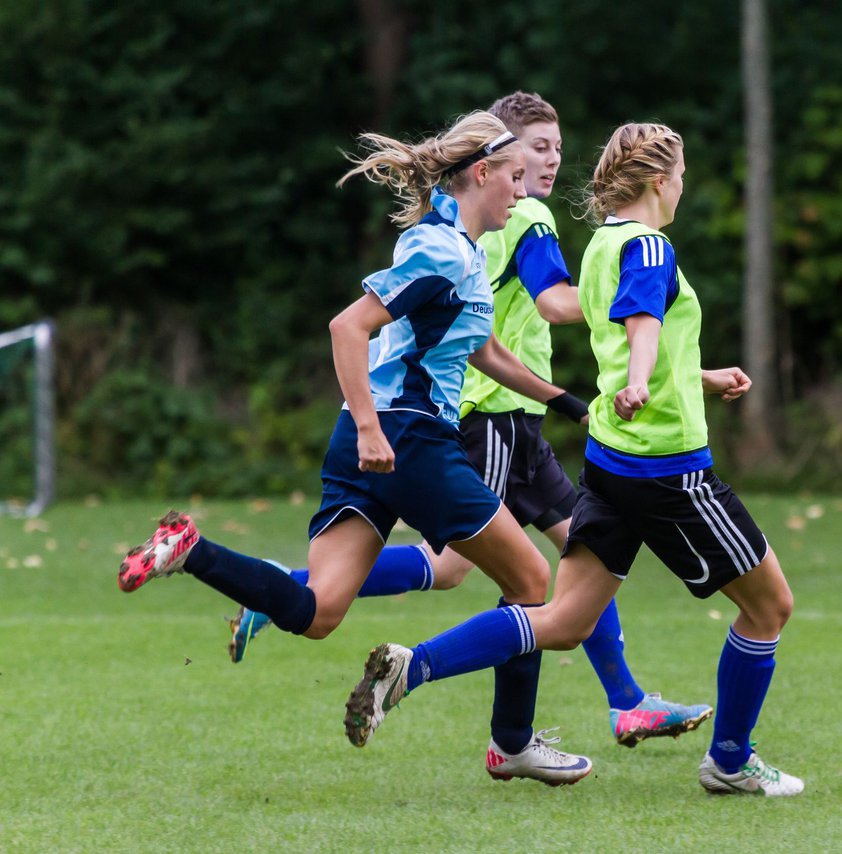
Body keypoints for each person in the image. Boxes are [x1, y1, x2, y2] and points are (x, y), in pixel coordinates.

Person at [117, 110, 594, 786]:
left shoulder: (457, 248)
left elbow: (483, 349)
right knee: (532, 583)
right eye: (514, 176)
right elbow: (349, 327)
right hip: (409, 439)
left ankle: (192, 551)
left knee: (317, 613)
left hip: (368, 440)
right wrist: (374, 428)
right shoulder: (443, 252)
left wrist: (562, 401)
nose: (521, 191)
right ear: (481, 173)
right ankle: (509, 742)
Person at [226, 91, 713, 749]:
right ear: (494, 161)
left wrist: (590, 383)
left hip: (517, 418)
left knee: (565, 555)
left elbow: (484, 333)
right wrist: (631, 298)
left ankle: (614, 702)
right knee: (513, 569)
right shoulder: (532, 219)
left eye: (558, 149)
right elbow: (554, 303)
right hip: (486, 420)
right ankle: (528, 724)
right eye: (535, 150)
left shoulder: (481, 221)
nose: (548, 163)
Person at [342, 122, 804, 796]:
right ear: (656, 180)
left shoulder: (602, 247)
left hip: (611, 462)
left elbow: (626, 331)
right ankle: (730, 762)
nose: (682, 188)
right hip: (669, 469)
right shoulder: (648, 243)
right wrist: (646, 382)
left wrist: (696, 376)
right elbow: (642, 328)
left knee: (561, 621)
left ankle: (413, 668)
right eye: (679, 176)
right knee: (770, 608)